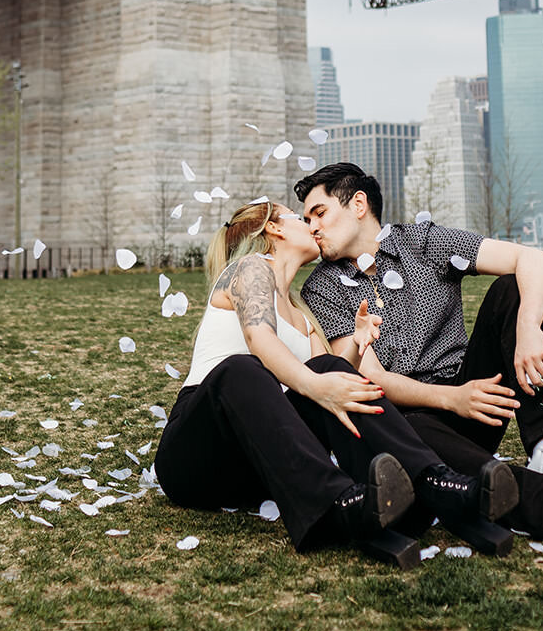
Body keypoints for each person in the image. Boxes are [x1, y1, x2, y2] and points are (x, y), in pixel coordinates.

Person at [154, 199, 519, 567]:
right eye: (300, 218)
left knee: (329, 365)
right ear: (275, 229)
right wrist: (314, 385)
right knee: (243, 369)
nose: (312, 226)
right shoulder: (247, 270)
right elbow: (259, 341)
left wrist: (357, 349)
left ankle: (433, 482)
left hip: (259, 465)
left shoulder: (301, 315)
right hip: (194, 454)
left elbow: (325, 390)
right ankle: (342, 504)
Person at [295, 163, 543, 556]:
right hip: (408, 424)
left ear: (359, 204)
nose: (312, 227)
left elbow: (536, 261)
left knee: (511, 289)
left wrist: (528, 328)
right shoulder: (322, 288)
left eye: (320, 213)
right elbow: (373, 379)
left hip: (478, 398)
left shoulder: (423, 243)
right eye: (306, 220)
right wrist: (450, 399)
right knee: (406, 422)